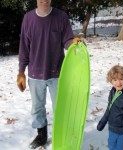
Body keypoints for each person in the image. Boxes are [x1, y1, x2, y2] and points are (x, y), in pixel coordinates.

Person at [17, 0, 83, 149]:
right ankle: (41, 136)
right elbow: (24, 46)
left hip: (57, 73)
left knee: (60, 107)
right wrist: (21, 71)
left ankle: (62, 134)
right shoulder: (28, 18)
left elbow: (66, 40)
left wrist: (73, 43)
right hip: (35, 73)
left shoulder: (61, 17)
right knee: (37, 107)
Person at [97, 65, 123, 150]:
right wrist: (104, 119)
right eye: (115, 80)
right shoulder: (112, 91)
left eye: (121, 79)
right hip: (112, 128)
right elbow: (110, 107)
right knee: (112, 146)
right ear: (111, 81)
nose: (118, 83)